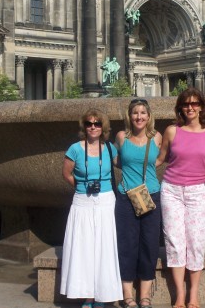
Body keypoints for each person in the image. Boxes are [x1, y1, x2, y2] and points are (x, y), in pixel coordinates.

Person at [156, 87, 205, 308]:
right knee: (174, 241)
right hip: (171, 191)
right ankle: (180, 296)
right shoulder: (172, 131)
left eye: (195, 103)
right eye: (186, 104)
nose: (190, 107)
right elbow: (160, 158)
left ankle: (194, 295)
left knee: (196, 241)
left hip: (198, 192)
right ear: (180, 108)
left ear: (201, 106)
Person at [60, 109, 123, 308]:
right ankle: (87, 296)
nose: (93, 127)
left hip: (106, 200)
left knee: (105, 248)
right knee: (84, 248)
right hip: (83, 201)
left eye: (97, 123)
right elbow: (67, 174)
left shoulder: (109, 148)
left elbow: (123, 164)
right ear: (84, 127)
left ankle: (104, 294)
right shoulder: (75, 149)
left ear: (103, 127)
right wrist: (80, 187)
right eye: (89, 123)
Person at [114, 99, 163, 308]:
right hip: (126, 196)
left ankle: (144, 296)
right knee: (126, 245)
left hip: (151, 195)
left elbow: (160, 159)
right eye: (135, 113)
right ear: (129, 116)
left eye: (143, 113)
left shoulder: (157, 137)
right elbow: (116, 160)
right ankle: (128, 295)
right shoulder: (121, 137)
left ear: (149, 116)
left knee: (149, 245)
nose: (139, 117)